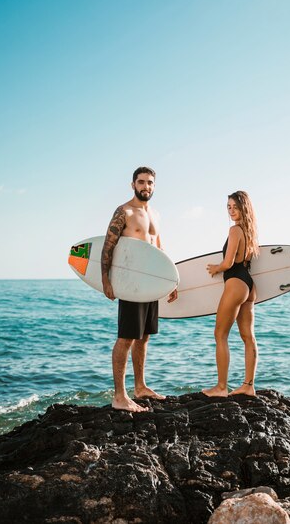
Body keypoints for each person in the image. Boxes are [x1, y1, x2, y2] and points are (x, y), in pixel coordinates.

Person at [101, 167, 177, 412]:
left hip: (151, 283)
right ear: (133, 184)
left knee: (144, 337)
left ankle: (140, 387)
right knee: (126, 337)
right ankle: (120, 396)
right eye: (142, 182)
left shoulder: (156, 214)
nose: (146, 186)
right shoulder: (124, 211)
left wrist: (171, 280)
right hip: (132, 281)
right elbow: (108, 246)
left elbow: (160, 249)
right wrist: (106, 279)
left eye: (150, 183)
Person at [202, 191, 259, 398]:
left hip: (235, 282)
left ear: (244, 207)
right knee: (247, 336)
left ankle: (221, 387)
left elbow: (228, 263)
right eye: (228, 207)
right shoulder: (250, 231)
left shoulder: (235, 230)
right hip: (249, 285)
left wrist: (216, 268)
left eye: (235, 206)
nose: (231, 211)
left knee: (220, 334)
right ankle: (248, 385)